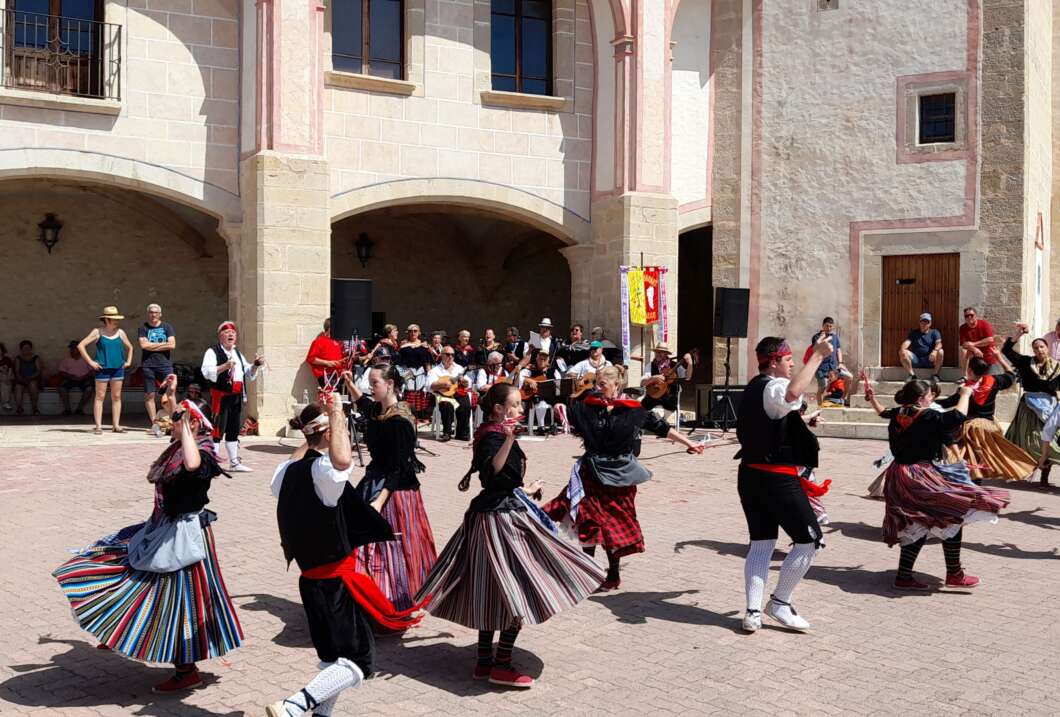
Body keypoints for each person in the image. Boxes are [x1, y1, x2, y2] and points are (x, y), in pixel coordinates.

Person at [415, 383, 607, 689]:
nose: (521, 408)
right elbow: (493, 471)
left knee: (495, 592)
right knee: (518, 589)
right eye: (515, 404)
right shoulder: (492, 435)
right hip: (499, 521)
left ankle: (484, 662)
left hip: (499, 512)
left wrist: (525, 489)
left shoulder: (492, 433)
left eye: (520, 404)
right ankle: (501, 664)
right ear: (498, 409)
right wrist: (509, 438)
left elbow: (501, 480)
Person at [53, 397, 242, 693]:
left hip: (184, 540)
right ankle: (119, 629)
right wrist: (174, 400)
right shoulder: (181, 446)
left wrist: (185, 425)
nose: (170, 421)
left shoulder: (203, 453)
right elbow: (180, 440)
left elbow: (192, 465)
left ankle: (187, 671)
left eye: (178, 419)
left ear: (193, 424)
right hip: (162, 528)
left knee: (180, 604)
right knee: (126, 571)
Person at [268, 398, 420, 717]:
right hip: (334, 584)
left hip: (311, 583)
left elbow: (304, 457)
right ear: (327, 433)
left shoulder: (284, 474)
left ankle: (320, 715)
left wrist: (316, 431)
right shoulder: (324, 474)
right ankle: (294, 706)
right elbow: (341, 460)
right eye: (343, 432)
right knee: (359, 662)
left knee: (333, 662)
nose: (347, 437)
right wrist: (336, 411)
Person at [543, 365, 705, 591]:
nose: (598, 388)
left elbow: (661, 428)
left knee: (613, 527)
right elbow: (564, 410)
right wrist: (560, 405)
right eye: (596, 383)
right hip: (591, 473)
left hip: (620, 477)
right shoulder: (589, 407)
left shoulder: (633, 409)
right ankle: (589, 572)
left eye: (603, 384)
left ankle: (613, 574)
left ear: (616, 385)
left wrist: (689, 443)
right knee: (588, 521)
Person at [735, 334, 833, 634]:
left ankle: (753, 611)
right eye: (789, 360)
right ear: (775, 361)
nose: (792, 365)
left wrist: (802, 423)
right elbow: (790, 393)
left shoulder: (754, 387)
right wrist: (817, 356)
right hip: (776, 478)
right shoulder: (774, 385)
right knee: (810, 540)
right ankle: (780, 602)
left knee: (762, 542)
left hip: (750, 475)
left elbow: (776, 417)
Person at [881, 379, 1009, 590]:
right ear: (921, 399)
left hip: (900, 473)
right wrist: (965, 394)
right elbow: (957, 417)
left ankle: (906, 576)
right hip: (918, 475)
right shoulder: (927, 415)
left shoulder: (899, 414)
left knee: (920, 522)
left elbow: (940, 431)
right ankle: (953, 574)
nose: (932, 398)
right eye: (930, 395)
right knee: (951, 515)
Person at [336, 364, 437, 612]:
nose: (370, 387)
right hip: (375, 479)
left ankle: (394, 599)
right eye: (369, 383)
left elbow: (399, 468)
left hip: (396, 491)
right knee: (364, 540)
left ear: (390, 384)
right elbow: (366, 405)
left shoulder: (400, 421)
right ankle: (368, 594)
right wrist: (350, 384)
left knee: (392, 547)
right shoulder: (379, 409)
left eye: (375, 383)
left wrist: (379, 502)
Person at [936, 357, 1035, 481]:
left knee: (966, 453)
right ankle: (978, 477)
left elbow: (948, 402)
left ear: (969, 370)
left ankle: (972, 477)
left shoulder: (966, 389)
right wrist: (999, 356)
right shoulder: (994, 381)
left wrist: (931, 402)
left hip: (971, 427)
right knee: (989, 454)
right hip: (988, 426)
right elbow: (1011, 376)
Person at [201, 321, 264, 472]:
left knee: (233, 429)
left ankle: (234, 463)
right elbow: (206, 372)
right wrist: (224, 366)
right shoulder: (212, 352)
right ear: (220, 336)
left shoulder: (237, 353)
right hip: (220, 397)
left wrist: (255, 365)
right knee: (217, 430)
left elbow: (247, 372)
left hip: (236, 397)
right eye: (227, 332)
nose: (231, 335)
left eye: (233, 333)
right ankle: (212, 463)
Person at [1003, 325, 1060, 485]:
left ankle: (1044, 476)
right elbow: (1006, 351)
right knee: (1026, 441)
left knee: (1048, 442)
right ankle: (1022, 471)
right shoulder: (1026, 362)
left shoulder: (1057, 367)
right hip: (1028, 409)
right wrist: (1018, 334)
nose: (1039, 350)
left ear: (1047, 348)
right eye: (1036, 348)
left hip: (1048, 409)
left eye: (1042, 347)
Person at [78, 306, 134, 434]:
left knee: (116, 396)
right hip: (102, 368)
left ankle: (116, 425)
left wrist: (128, 361)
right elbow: (81, 345)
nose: (116, 321)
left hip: (118, 368)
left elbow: (130, 347)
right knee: (100, 396)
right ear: (107, 320)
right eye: (114, 319)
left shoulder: (120, 332)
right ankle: (98, 426)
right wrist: (91, 362)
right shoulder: (97, 332)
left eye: (117, 319)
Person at [139, 304, 177, 436]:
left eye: (156, 312)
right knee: (149, 395)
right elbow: (143, 345)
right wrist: (163, 345)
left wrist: (152, 346)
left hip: (165, 365)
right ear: (148, 314)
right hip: (148, 365)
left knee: (170, 393)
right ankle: (154, 424)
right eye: (151, 312)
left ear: (160, 314)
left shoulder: (167, 327)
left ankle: (174, 423)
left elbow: (172, 345)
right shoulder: (143, 328)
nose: (153, 314)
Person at [427, 346, 472, 442]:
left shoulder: (459, 368)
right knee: (447, 405)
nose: (450, 357)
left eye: (452, 355)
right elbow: (429, 386)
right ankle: (447, 432)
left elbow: (468, 382)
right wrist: (442, 384)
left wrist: (465, 382)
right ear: (441, 355)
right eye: (448, 354)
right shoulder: (435, 370)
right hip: (443, 394)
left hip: (457, 393)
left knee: (465, 404)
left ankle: (462, 433)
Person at [639, 345, 693, 420]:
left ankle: (663, 420)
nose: (658, 354)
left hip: (669, 397)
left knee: (670, 403)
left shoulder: (675, 365)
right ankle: (655, 420)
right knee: (643, 406)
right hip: (654, 395)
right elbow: (642, 383)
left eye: (661, 352)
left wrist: (690, 363)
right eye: (657, 352)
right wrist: (654, 378)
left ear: (666, 354)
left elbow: (688, 377)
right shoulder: (650, 365)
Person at [516, 349, 560, 434]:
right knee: (539, 402)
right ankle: (541, 427)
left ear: (548, 360)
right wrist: (529, 380)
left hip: (550, 396)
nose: (542, 361)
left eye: (544, 359)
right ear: (536, 359)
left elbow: (559, 384)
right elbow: (520, 376)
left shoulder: (553, 371)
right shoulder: (530, 369)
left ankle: (552, 425)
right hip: (535, 396)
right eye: (540, 359)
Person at [811, 317, 852, 405]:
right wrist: (822, 338)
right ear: (823, 326)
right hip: (821, 369)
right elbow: (815, 349)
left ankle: (843, 399)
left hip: (833, 368)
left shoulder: (835, 337)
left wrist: (840, 363)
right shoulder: (816, 337)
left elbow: (838, 350)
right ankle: (820, 408)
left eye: (830, 326)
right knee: (823, 387)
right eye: (827, 326)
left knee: (849, 377)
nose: (829, 328)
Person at [958, 307, 1007, 379]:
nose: (969, 317)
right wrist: (974, 349)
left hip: (989, 359)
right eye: (966, 316)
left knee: (991, 381)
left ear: (976, 315)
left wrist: (974, 344)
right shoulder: (962, 328)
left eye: (971, 315)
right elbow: (964, 345)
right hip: (976, 359)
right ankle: (965, 376)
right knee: (964, 351)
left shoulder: (984, 324)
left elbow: (990, 340)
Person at [898, 313, 944, 382]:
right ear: (919, 323)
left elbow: (939, 344)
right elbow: (906, 343)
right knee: (902, 351)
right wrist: (902, 349)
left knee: (940, 351)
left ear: (930, 323)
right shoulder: (914, 333)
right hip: (916, 360)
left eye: (927, 322)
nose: (924, 324)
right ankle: (912, 375)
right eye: (922, 322)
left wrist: (934, 351)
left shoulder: (934, 332)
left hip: (930, 359)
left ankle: (935, 375)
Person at [305, 318, 345, 388]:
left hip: (339, 375)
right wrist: (327, 363)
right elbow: (310, 359)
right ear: (330, 328)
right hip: (326, 376)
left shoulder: (337, 342)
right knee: (329, 394)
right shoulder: (318, 341)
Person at [57, 340, 94, 415]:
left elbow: (92, 371)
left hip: (84, 379)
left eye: (74, 348)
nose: (72, 350)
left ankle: (79, 409)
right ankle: (67, 409)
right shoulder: (66, 360)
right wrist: (71, 376)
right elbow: (61, 372)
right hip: (70, 379)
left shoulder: (86, 359)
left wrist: (84, 376)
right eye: (71, 348)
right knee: (61, 388)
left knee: (89, 389)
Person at [12, 339, 43, 416]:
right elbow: (17, 371)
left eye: (28, 348)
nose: (26, 349)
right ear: (21, 349)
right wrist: (22, 379)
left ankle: (35, 408)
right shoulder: (18, 358)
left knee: (33, 385)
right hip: (21, 378)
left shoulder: (36, 358)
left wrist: (30, 378)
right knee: (18, 387)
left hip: (33, 378)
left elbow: (38, 370)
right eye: (24, 348)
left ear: (31, 348)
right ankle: (19, 409)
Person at [0, 343, 13, 412]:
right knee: (4, 379)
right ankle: (5, 402)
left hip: (5, 378)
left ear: (2, 350)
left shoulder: (7, 359)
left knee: (5, 383)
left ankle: (5, 403)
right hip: (2, 377)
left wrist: (8, 378)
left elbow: (10, 370)